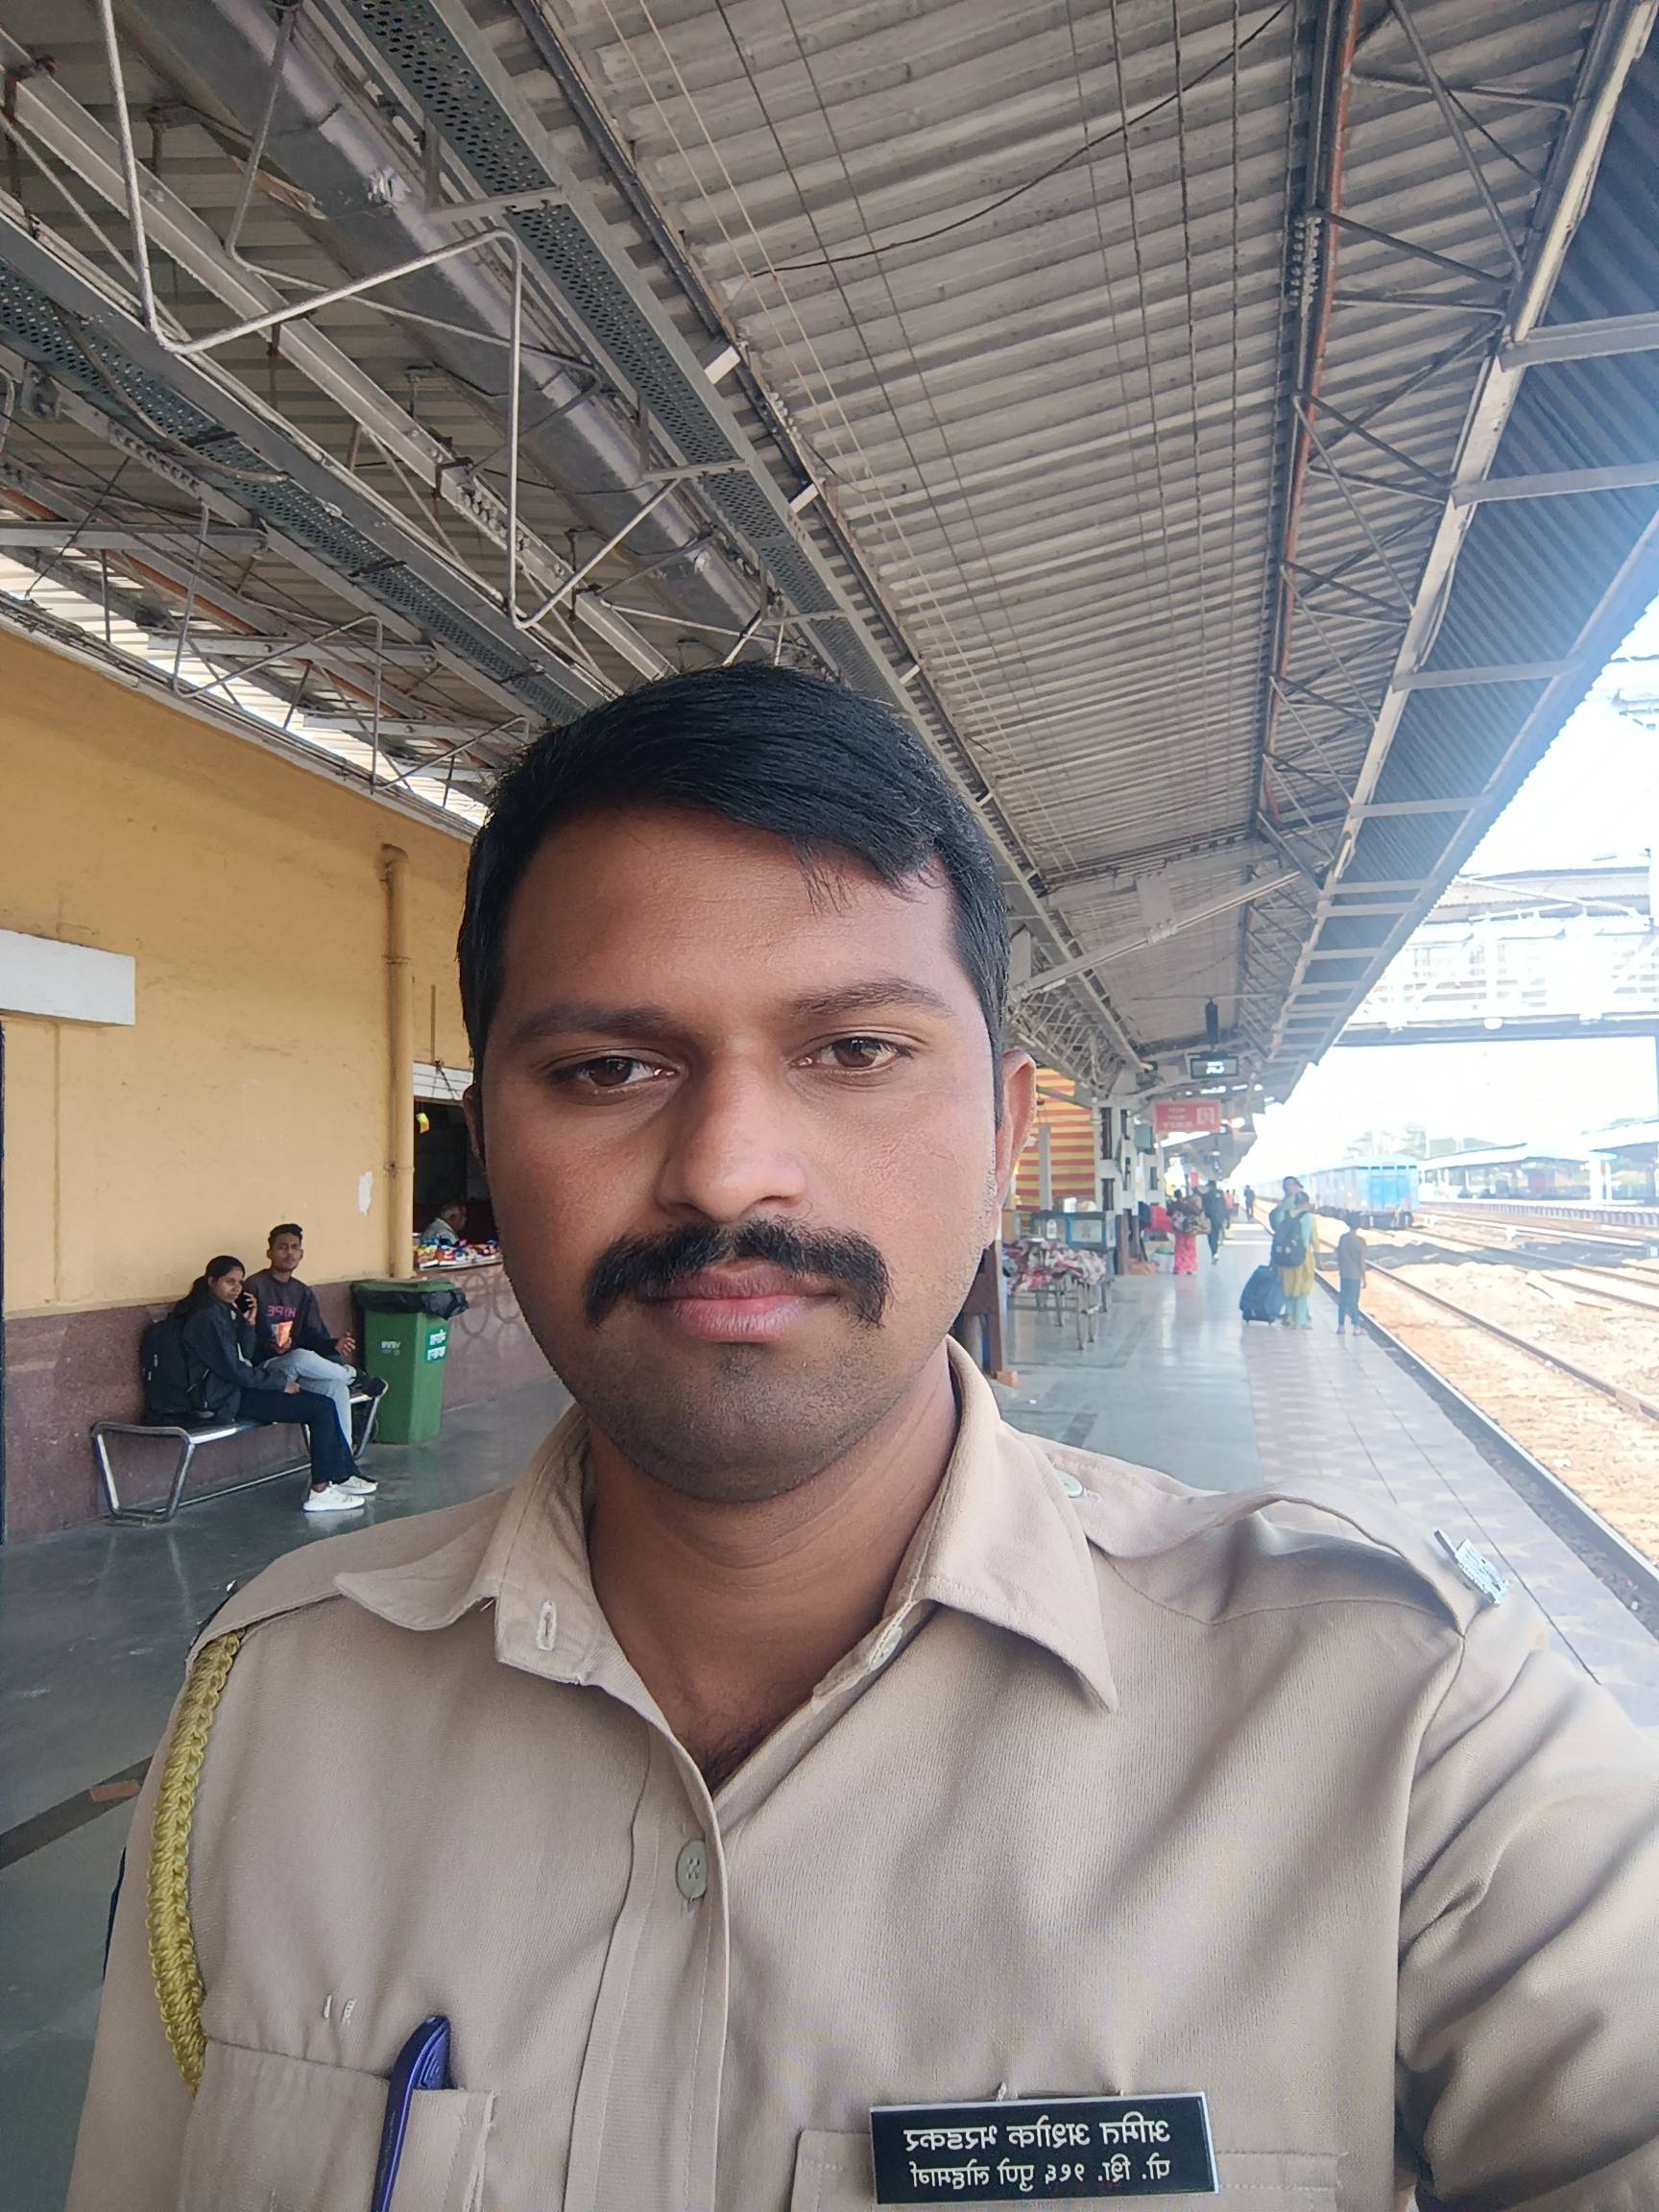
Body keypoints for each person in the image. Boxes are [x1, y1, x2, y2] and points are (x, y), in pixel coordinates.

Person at [73, 666, 1659, 2212]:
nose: (727, 1169)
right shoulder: (267, 1714)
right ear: (486, 1153)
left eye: (852, 1051)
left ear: (1001, 1136)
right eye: (607, 1068)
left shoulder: (1410, 1728)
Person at [172, 1256, 371, 1513]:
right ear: (211, 1282)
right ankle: (321, 1491)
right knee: (319, 1409)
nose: (236, 1289)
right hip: (224, 1397)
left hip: (239, 1390)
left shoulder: (224, 1311)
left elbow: (245, 1355)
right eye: (229, 1282)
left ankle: (340, 1476)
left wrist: (249, 1323)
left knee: (323, 1403)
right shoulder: (207, 1318)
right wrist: (278, 1384)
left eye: (239, 1283)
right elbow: (234, 1370)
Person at [245, 1223, 384, 1464]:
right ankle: (352, 1376)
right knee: (300, 1357)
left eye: (294, 1247)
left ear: (301, 1254)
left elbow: (312, 1336)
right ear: (269, 1253)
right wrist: (267, 1344)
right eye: (282, 1247)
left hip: (296, 1371)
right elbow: (241, 1332)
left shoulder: (302, 1292)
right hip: (265, 1370)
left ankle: (343, 1464)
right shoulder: (253, 1286)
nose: (289, 1253)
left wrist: (334, 1345)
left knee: (335, 1388)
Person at [1274, 1188, 1317, 1328]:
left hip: (1284, 1258)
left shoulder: (1283, 1215)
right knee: (1302, 1290)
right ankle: (1301, 1321)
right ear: (1306, 1203)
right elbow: (1312, 1239)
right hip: (1302, 1258)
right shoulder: (1308, 1217)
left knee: (1288, 1289)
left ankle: (1290, 1317)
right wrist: (1319, 1256)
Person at [1335, 1212, 1368, 1336]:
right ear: (1359, 1224)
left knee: (1343, 1300)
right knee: (1353, 1302)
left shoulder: (1343, 1238)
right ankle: (1356, 1327)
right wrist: (1364, 1279)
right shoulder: (1360, 1241)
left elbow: (1339, 1255)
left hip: (1344, 1274)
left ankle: (1341, 1326)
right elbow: (1362, 1262)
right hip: (1355, 1276)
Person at [1169, 1188, 1200, 1274]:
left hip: (1178, 1229)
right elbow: (1196, 1213)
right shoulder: (1187, 1205)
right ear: (1181, 1195)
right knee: (1190, 1247)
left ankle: (1178, 1268)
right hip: (1189, 1229)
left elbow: (1168, 1213)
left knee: (1179, 1247)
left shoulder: (1172, 1205)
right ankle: (1190, 1268)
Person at [1200, 1179, 1227, 1262]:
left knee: (1211, 1237)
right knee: (1216, 1235)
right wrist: (1227, 1218)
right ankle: (1215, 1253)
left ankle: (1214, 1253)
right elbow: (1224, 1206)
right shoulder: (1221, 1193)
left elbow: (1202, 1206)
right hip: (1220, 1218)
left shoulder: (1206, 1194)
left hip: (1210, 1218)